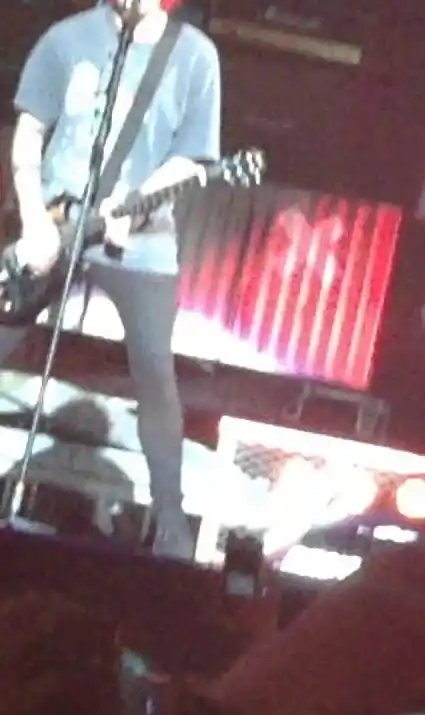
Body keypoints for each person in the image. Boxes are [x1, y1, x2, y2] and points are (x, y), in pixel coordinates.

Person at [7, 0, 222, 557]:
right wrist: (33, 219)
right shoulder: (68, 37)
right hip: (54, 225)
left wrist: (138, 202)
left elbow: (192, 157)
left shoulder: (194, 56)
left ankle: (171, 526)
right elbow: (29, 132)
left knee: (154, 374)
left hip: (140, 243)